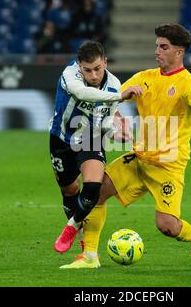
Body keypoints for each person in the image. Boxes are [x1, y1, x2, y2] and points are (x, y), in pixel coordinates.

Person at [59, 23, 191, 269]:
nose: (157, 51)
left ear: (179, 52)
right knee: (94, 193)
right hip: (139, 159)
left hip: (168, 166)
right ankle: (89, 257)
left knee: (167, 226)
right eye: (156, 46)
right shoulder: (144, 78)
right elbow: (111, 101)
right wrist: (117, 119)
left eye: (164, 47)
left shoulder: (188, 83)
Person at [50, 41, 142, 255]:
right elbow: (82, 94)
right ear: (79, 66)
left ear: (105, 63)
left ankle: (72, 228)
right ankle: (78, 227)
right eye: (87, 70)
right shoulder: (69, 75)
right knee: (70, 189)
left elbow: (106, 122)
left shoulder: (114, 84)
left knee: (92, 187)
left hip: (90, 138)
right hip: (61, 139)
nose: (93, 75)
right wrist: (120, 96)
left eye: (97, 69)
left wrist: (117, 134)